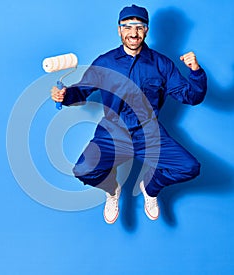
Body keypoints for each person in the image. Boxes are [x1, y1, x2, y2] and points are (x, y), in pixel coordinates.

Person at [51, 4, 207, 224]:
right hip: (113, 131)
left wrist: (196, 72)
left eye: (139, 27)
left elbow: (191, 97)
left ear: (147, 30)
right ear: (119, 30)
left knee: (190, 167)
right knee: (84, 171)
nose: (133, 33)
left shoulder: (162, 64)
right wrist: (64, 95)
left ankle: (150, 188)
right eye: (128, 26)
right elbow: (82, 90)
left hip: (149, 132)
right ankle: (112, 189)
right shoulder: (105, 62)